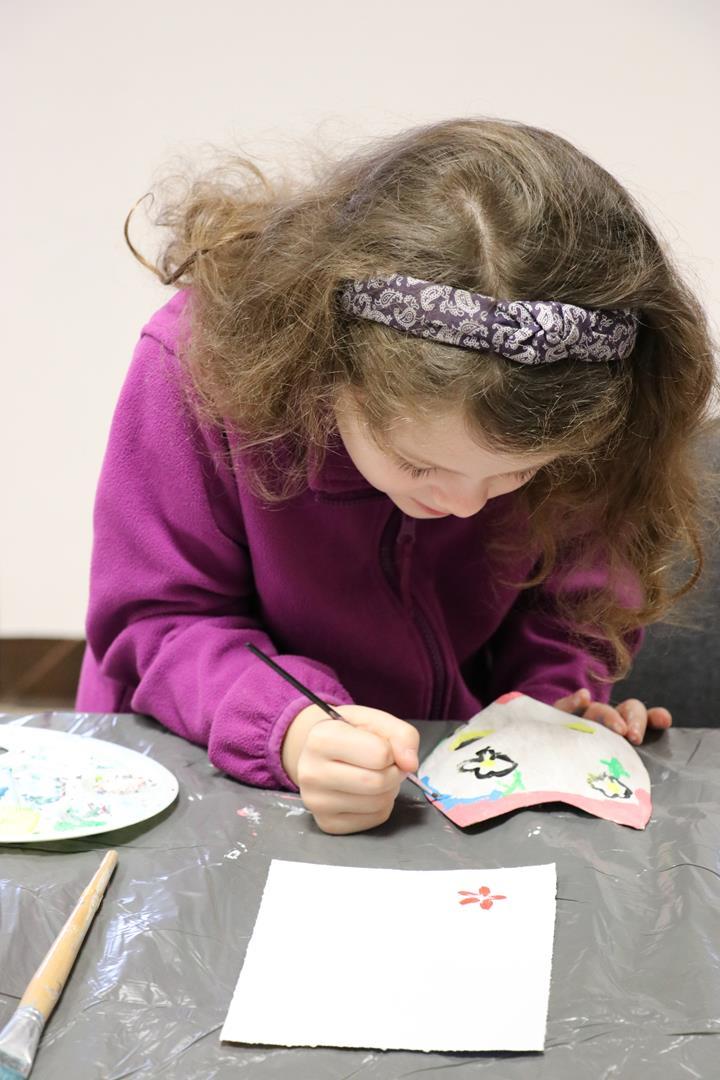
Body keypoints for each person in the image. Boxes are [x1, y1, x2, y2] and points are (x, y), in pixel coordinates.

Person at [76, 117, 718, 835]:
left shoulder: (586, 414)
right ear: (329, 364)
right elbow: (159, 620)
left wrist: (549, 709)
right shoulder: (198, 367)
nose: (463, 504)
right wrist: (291, 728)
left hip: (447, 777)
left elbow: (577, 610)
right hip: (196, 760)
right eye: (418, 464)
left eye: (517, 474)